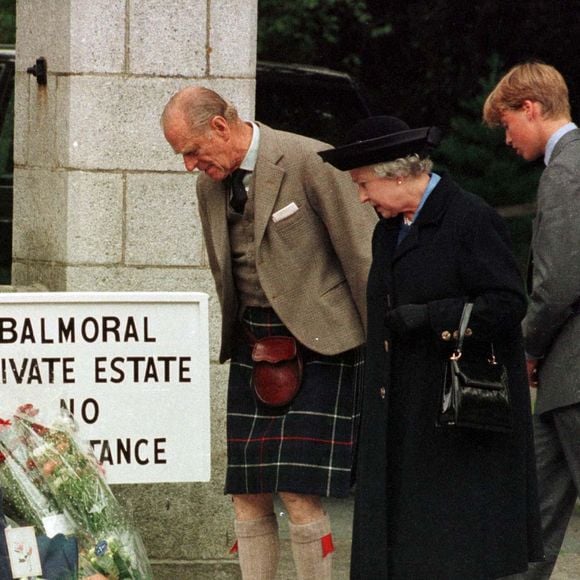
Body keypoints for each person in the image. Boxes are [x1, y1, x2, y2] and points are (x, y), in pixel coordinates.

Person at [160, 86, 377, 580]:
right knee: (247, 489)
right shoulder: (208, 185)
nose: (190, 165)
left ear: (220, 125)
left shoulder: (310, 160)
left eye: (192, 151)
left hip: (322, 341)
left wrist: (382, 344)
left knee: (300, 490)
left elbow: (362, 254)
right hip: (253, 343)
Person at [319, 116, 544, 579]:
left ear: (398, 174)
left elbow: (507, 302)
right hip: (402, 407)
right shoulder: (389, 228)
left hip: (455, 411)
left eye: (364, 184)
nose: (361, 197)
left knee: (448, 549)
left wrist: (433, 318)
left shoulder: (469, 217)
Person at [483, 61, 580, 579]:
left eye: (506, 124)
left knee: (536, 511)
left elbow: (560, 280)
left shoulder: (566, 169)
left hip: (573, 370)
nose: (506, 139)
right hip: (566, 378)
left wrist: (528, 347)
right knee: (533, 512)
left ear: (531, 108)